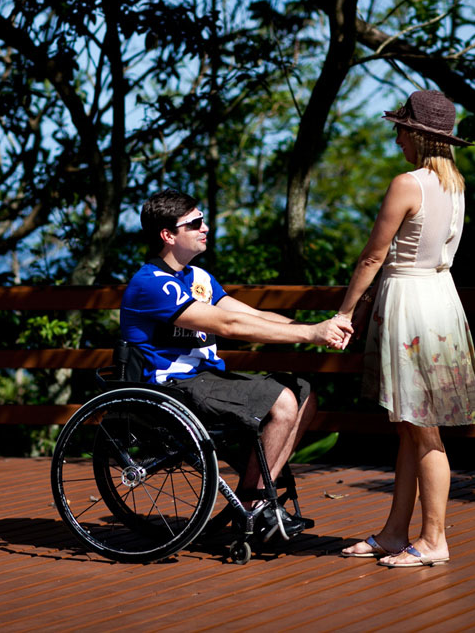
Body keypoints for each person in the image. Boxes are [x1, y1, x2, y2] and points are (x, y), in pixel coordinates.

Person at [120, 189, 353, 540]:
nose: (206, 227)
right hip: (171, 389)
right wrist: (310, 334)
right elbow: (227, 326)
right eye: (195, 223)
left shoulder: (197, 278)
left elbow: (250, 315)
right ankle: (254, 505)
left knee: (303, 393)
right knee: (283, 401)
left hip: (206, 379)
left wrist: (320, 331)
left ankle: (255, 500)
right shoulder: (151, 284)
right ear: (168, 235)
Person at [334, 90, 475, 567]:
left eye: (400, 128)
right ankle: (395, 531)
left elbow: (373, 256)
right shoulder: (457, 185)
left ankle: (434, 539)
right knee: (408, 425)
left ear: (418, 135)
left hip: (412, 304)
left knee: (423, 430)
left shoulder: (408, 182)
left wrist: (345, 312)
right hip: (440, 299)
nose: (396, 136)